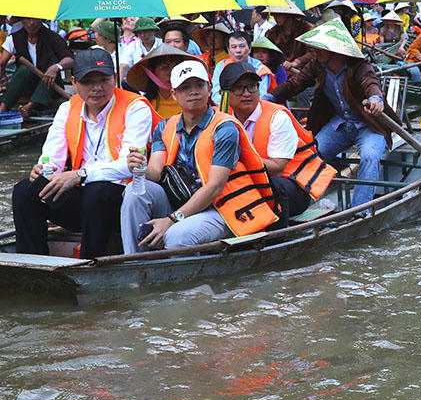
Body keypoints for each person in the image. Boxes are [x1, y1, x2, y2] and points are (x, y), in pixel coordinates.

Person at [12, 49, 157, 258]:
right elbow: (52, 157)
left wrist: (80, 174)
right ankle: (32, 261)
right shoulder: (67, 109)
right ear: (75, 83)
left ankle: (90, 262)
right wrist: (44, 170)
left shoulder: (136, 108)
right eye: (88, 82)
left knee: (97, 191)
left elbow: (129, 165)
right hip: (83, 200)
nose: (97, 88)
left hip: (122, 201)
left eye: (104, 80)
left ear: (115, 78)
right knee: (25, 190)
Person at [122, 60, 279, 250]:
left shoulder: (225, 128)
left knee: (177, 235)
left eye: (199, 85)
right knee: (134, 192)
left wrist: (171, 220)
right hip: (181, 201)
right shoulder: (163, 127)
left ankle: (183, 268)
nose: (193, 91)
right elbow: (155, 172)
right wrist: (139, 168)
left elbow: (215, 187)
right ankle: (135, 261)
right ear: (174, 94)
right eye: (185, 87)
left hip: (222, 208)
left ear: (209, 89)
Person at [269, 20, 397, 207]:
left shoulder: (359, 66)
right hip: (340, 125)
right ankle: (300, 202)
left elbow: (371, 83)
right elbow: (294, 84)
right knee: (311, 155)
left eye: (321, 47)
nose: (315, 51)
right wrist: (267, 98)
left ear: (335, 50)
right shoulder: (318, 65)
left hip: (368, 125)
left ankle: (360, 210)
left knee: (370, 157)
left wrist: (376, 100)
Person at [220, 62, 336, 225]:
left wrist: (236, 157)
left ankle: (278, 234)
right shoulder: (221, 119)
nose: (247, 94)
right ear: (224, 93)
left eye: (252, 87)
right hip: (246, 184)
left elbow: (277, 168)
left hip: (289, 186)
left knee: (274, 185)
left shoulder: (277, 117)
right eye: (239, 88)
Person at [0, 17, 74, 117]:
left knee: (50, 68)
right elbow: (2, 63)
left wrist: (57, 67)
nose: (31, 23)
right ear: (22, 20)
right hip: (26, 86)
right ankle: (3, 108)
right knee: (23, 70)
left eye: (35, 19)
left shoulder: (52, 37)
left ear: (42, 20)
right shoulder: (15, 38)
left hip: (50, 86)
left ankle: (29, 107)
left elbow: (70, 59)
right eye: (28, 19)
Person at [126, 44, 200, 119]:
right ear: (152, 71)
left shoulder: (193, 99)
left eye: (176, 67)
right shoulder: (144, 105)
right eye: (165, 68)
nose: (171, 73)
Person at [210, 32, 274, 106]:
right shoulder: (221, 66)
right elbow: (215, 95)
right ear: (228, 50)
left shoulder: (260, 69)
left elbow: (261, 97)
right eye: (234, 47)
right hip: (228, 108)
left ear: (249, 49)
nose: (238, 50)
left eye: (242, 46)